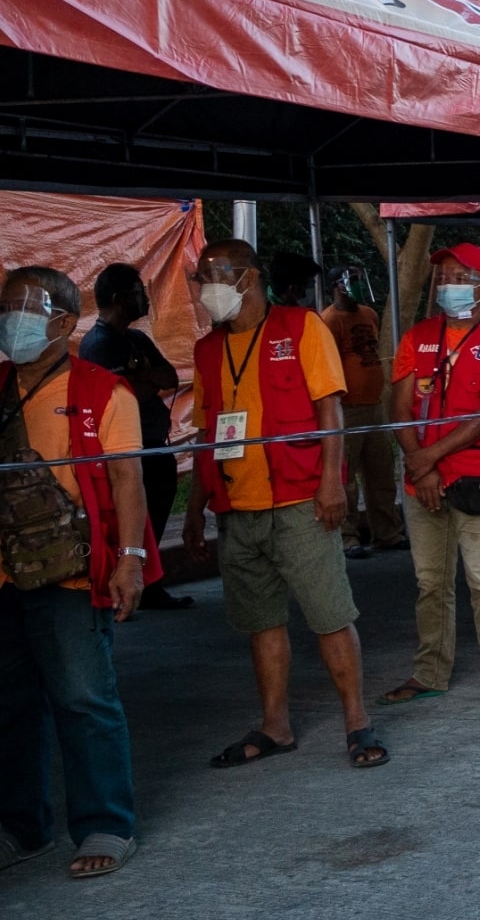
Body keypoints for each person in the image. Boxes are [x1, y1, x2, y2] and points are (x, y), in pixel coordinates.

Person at [182, 240, 388, 769]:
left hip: (300, 499)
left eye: (216, 276)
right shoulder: (208, 349)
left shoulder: (300, 326)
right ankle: (276, 726)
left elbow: (329, 409)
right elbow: (209, 431)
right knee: (261, 622)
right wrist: (194, 510)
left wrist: (332, 483)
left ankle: (357, 721)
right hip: (237, 507)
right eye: (202, 277)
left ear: (249, 278)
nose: (208, 288)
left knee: (330, 615)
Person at [0, 265, 152, 878]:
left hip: (69, 571)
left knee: (84, 699)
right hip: (5, 576)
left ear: (63, 322)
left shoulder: (103, 392)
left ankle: (104, 825)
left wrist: (131, 562)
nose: (10, 320)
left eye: (21, 308)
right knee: (8, 705)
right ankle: (22, 828)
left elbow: (127, 480)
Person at [380, 244, 480, 711]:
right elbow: (398, 408)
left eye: (458, 276)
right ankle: (430, 671)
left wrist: (426, 460)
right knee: (431, 582)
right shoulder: (418, 336)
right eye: (441, 276)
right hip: (424, 477)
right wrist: (422, 463)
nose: (446, 284)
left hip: (478, 477)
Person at [79, 262, 190, 611]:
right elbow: (119, 398)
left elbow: (169, 377)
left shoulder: (137, 338)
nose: (144, 300)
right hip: (126, 448)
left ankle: (150, 583)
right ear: (118, 298)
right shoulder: (98, 344)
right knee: (130, 519)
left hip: (155, 442)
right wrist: (143, 381)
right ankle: (123, 583)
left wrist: (142, 378)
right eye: (138, 293)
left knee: (155, 514)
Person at [323, 265, 405, 561]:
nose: (358, 285)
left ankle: (388, 533)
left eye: (360, 279)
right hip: (347, 408)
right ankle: (347, 536)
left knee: (381, 473)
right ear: (337, 286)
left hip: (373, 406)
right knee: (346, 478)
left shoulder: (368, 313)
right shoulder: (329, 320)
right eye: (352, 280)